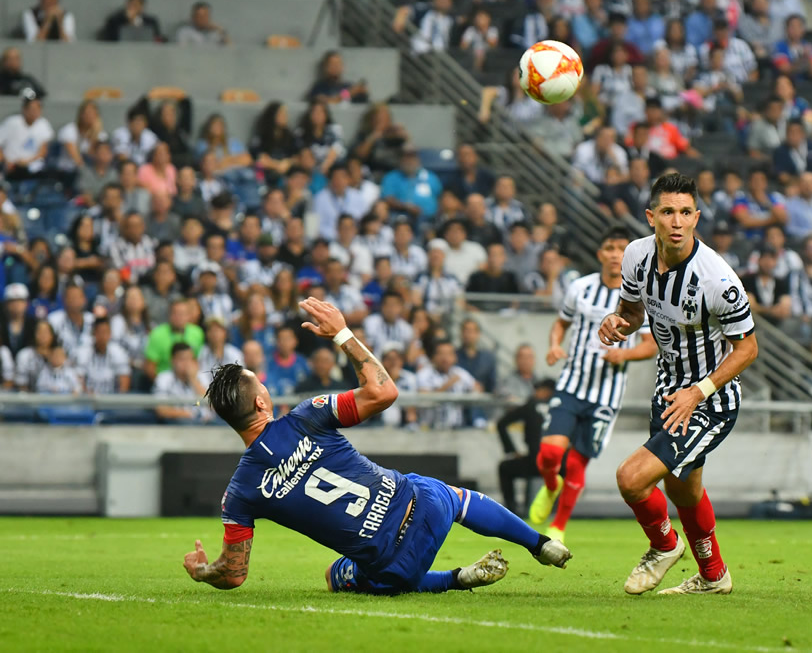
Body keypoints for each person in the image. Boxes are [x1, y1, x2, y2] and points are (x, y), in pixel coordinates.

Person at [186, 297, 571, 596]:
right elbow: (384, 391)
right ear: (260, 403)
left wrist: (203, 571)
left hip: (394, 564)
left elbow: (234, 574)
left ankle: (455, 579)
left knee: (337, 575)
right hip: (425, 505)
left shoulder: (239, 493)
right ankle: (538, 543)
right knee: (455, 497)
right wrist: (343, 335)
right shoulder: (308, 415)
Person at [599, 173, 757, 595]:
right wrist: (618, 322)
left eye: (685, 212)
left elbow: (747, 349)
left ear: (696, 218)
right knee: (683, 489)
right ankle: (713, 576)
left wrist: (698, 392)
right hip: (668, 388)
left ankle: (664, 546)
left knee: (632, 478)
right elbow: (632, 312)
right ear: (651, 217)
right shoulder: (635, 256)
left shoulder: (717, 280)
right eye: (668, 211)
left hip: (710, 397)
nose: (676, 221)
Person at [531, 226, 657, 542]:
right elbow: (561, 323)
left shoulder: (639, 295)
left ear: (629, 255)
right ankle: (550, 485)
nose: (615, 254)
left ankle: (558, 527)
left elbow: (650, 344)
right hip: (572, 384)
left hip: (606, 395)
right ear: (600, 253)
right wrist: (554, 345)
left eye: (621, 248)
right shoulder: (580, 287)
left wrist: (623, 356)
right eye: (609, 248)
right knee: (549, 454)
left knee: (576, 462)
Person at [496, 378, 555, 517]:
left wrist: (511, 450)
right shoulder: (562, 409)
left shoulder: (531, 405)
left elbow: (501, 424)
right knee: (566, 472)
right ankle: (556, 511)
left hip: (535, 461)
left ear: (546, 391)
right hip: (558, 463)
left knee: (504, 468)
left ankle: (512, 511)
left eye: (539, 389)